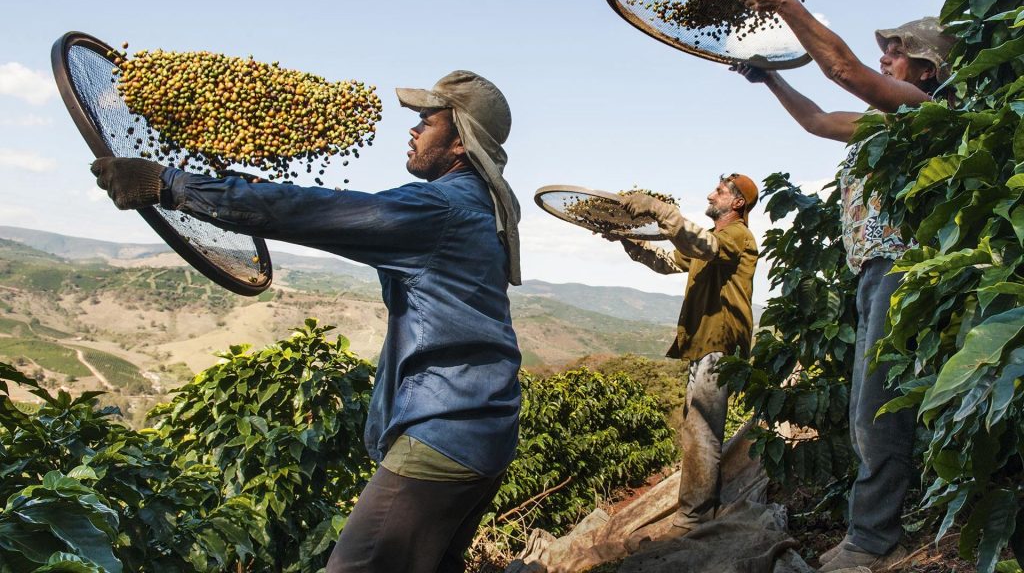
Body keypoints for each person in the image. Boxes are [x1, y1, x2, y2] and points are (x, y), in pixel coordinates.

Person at [91, 70, 523, 573]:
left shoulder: (440, 208)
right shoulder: (481, 205)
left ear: (459, 143)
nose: (413, 131)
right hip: (488, 425)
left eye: (426, 122)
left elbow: (311, 211)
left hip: (446, 432)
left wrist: (169, 185)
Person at [733, 0, 955, 571]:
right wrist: (772, 80)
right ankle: (871, 531)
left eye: (898, 52)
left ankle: (873, 540)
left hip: (904, 268)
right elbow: (816, 120)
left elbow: (844, 72)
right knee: (868, 407)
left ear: (928, 70)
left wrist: (783, 4)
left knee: (878, 410)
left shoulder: (925, 111)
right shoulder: (885, 122)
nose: (885, 57)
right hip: (872, 272)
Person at [611, 174, 759, 537]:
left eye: (720, 191)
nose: (711, 194)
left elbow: (702, 244)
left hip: (719, 344)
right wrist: (628, 240)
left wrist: (660, 209)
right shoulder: (709, 243)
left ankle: (693, 518)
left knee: (702, 432)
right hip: (705, 343)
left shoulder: (736, 236)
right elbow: (667, 260)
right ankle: (694, 513)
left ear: (737, 203)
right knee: (695, 429)